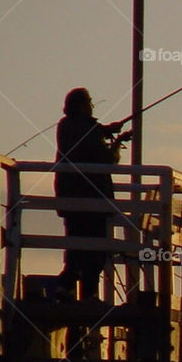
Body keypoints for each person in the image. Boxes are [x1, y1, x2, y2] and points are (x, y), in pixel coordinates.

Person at [54, 87, 127, 301]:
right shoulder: (87, 129)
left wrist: (107, 132)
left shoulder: (66, 126)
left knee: (76, 246)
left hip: (71, 198)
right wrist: (116, 146)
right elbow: (106, 159)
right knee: (96, 251)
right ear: (81, 105)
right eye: (89, 102)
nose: (91, 106)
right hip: (93, 200)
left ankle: (65, 287)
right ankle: (88, 294)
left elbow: (89, 135)